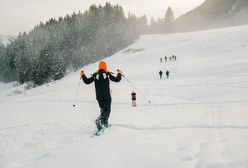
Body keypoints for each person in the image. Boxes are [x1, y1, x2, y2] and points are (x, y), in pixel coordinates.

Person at [80, 60, 122, 131]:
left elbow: (87, 81)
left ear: (99, 67)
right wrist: (119, 73)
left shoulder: (94, 75)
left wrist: (83, 75)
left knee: (103, 110)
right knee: (107, 111)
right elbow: (117, 79)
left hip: (99, 97)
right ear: (105, 67)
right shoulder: (108, 74)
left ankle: (104, 123)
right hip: (107, 96)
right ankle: (99, 121)